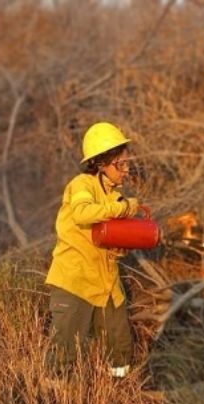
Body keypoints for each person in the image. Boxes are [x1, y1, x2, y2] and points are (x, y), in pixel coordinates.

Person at [45, 121, 140, 378]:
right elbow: (82, 213)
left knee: (120, 351)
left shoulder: (114, 194)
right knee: (63, 352)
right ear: (101, 163)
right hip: (75, 281)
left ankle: (118, 391)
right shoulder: (81, 185)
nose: (126, 169)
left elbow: (108, 241)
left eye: (127, 163)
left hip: (106, 284)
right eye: (120, 164)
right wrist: (122, 208)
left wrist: (120, 248)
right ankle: (56, 399)